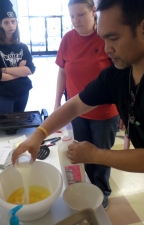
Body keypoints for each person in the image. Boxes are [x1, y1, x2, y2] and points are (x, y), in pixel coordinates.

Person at [12, 0, 144, 224]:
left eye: (113, 38)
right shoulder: (122, 70)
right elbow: (76, 104)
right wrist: (39, 135)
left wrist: (94, 154)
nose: (107, 49)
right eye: (103, 38)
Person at [54, 0, 119, 209]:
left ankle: (102, 194)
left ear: (94, 11)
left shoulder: (105, 38)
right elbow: (62, 71)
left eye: (80, 15)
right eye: (72, 16)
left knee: (100, 157)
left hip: (105, 114)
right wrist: (57, 102)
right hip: (77, 112)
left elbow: (121, 77)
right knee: (82, 154)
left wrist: (126, 111)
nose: (76, 21)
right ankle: (88, 190)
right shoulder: (67, 40)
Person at [0, 0, 35, 114]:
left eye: (13, 21)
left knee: (18, 125)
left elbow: (30, 69)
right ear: (1, 25)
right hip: (3, 95)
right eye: (6, 22)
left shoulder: (22, 46)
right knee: (5, 128)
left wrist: (5, 70)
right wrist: (19, 71)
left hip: (23, 92)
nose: (10, 25)